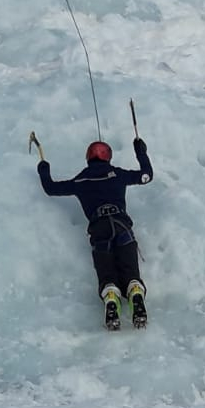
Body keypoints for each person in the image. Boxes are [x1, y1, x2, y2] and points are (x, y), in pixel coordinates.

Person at [38, 137, 153, 330]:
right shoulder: (117, 174)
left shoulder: (81, 180)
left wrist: (43, 166)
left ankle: (111, 294)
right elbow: (146, 176)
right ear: (108, 156)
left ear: (88, 157)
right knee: (130, 271)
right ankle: (134, 291)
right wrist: (141, 151)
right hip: (122, 225)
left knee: (106, 273)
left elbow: (51, 188)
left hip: (99, 230)